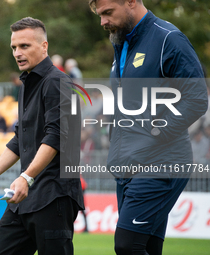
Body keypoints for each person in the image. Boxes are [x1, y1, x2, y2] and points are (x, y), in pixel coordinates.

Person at [88, 0, 208, 254]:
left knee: (127, 245)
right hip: (127, 164)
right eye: (100, 15)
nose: (103, 22)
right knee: (147, 247)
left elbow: (197, 99)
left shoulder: (169, 39)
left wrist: (156, 133)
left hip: (160, 162)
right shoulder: (121, 42)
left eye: (108, 13)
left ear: (131, 2)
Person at [0, 17, 84, 255]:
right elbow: (20, 140)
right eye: (14, 47)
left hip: (53, 195)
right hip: (25, 195)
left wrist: (26, 177)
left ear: (44, 46)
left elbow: (56, 137)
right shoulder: (27, 83)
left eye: (24, 46)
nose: (17, 53)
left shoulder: (59, 83)